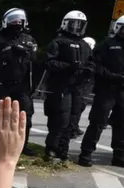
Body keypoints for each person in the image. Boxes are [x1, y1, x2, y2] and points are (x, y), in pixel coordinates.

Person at [0, 8, 37, 157]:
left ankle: (22, 146)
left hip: (22, 86)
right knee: (1, 116)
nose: (16, 23)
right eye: (13, 21)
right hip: (3, 85)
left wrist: (25, 50)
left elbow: (35, 62)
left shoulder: (28, 39)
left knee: (25, 116)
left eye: (19, 21)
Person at [42, 11, 93, 162]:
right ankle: (51, 148)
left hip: (77, 87)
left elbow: (92, 62)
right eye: (74, 24)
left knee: (73, 119)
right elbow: (49, 62)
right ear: (66, 24)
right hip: (61, 86)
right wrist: (68, 66)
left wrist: (88, 69)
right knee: (61, 119)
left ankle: (63, 149)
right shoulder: (58, 42)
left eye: (80, 25)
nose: (77, 28)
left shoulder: (84, 45)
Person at [78, 15, 124, 168]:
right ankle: (86, 153)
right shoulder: (106, 45)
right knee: (98, 121)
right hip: (107, 89)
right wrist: (114, 77)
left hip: (123, 92)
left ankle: (119, 155)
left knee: (121, 124)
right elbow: (97, 66)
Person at [69, 36, 96, 139]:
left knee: (79, 106)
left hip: (86, 83)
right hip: (82, 83)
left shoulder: (91, 56)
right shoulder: (80, 54)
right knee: (78, 106)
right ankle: (72, 128)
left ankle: (74, 127)